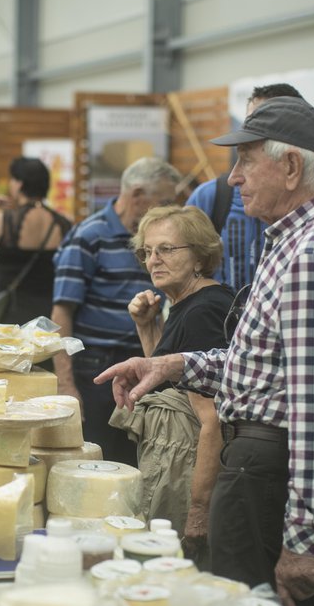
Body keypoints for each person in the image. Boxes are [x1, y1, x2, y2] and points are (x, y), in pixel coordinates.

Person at [95, 97, 314, 605]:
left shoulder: (312, 255)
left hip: (268, 473)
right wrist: (171, 363)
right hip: (269, 468)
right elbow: (263, 369)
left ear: (291, 167)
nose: (233, 178)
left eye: (246, 161)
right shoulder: (308, 241)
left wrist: (301, 543)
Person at [115, 205, 232, 550]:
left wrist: (198, 511)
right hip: (179, 461)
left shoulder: (203, 312)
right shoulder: (190, 303)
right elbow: (163, 380)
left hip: (188, 471)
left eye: (166, 249)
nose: (153, 260)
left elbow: (212, 420)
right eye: (148, 251)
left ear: (199, 256)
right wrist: (147, 325)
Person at [52, 156, 181, 466]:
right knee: (97, 460)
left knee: (133, 461)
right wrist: (65, 384)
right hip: (96, 371)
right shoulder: (89, 236)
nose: (168, 211)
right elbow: (61, 313)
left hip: (140, 367)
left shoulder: (154, 240)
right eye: (162, 201)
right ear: (137, 195)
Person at [185, 83, 303, 293]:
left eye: (266, 121)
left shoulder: (308, 210)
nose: (253, 131)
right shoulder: (211, 197)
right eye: (250, 122)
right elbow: (179, 270)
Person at [0, 157, 71, 325]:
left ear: (19, 184)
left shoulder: (6, 220)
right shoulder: (64, 223)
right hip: (49, 314)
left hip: (10, 314)